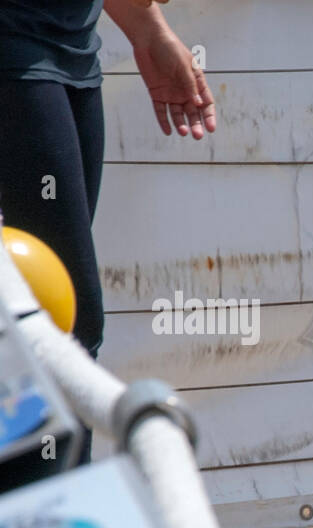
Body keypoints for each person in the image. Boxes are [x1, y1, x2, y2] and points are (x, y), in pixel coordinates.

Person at [0, 0, 216, 360]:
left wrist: (150, 33)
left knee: (65, 318)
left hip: (73, 53)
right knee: (69, 324)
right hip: (16, 53)